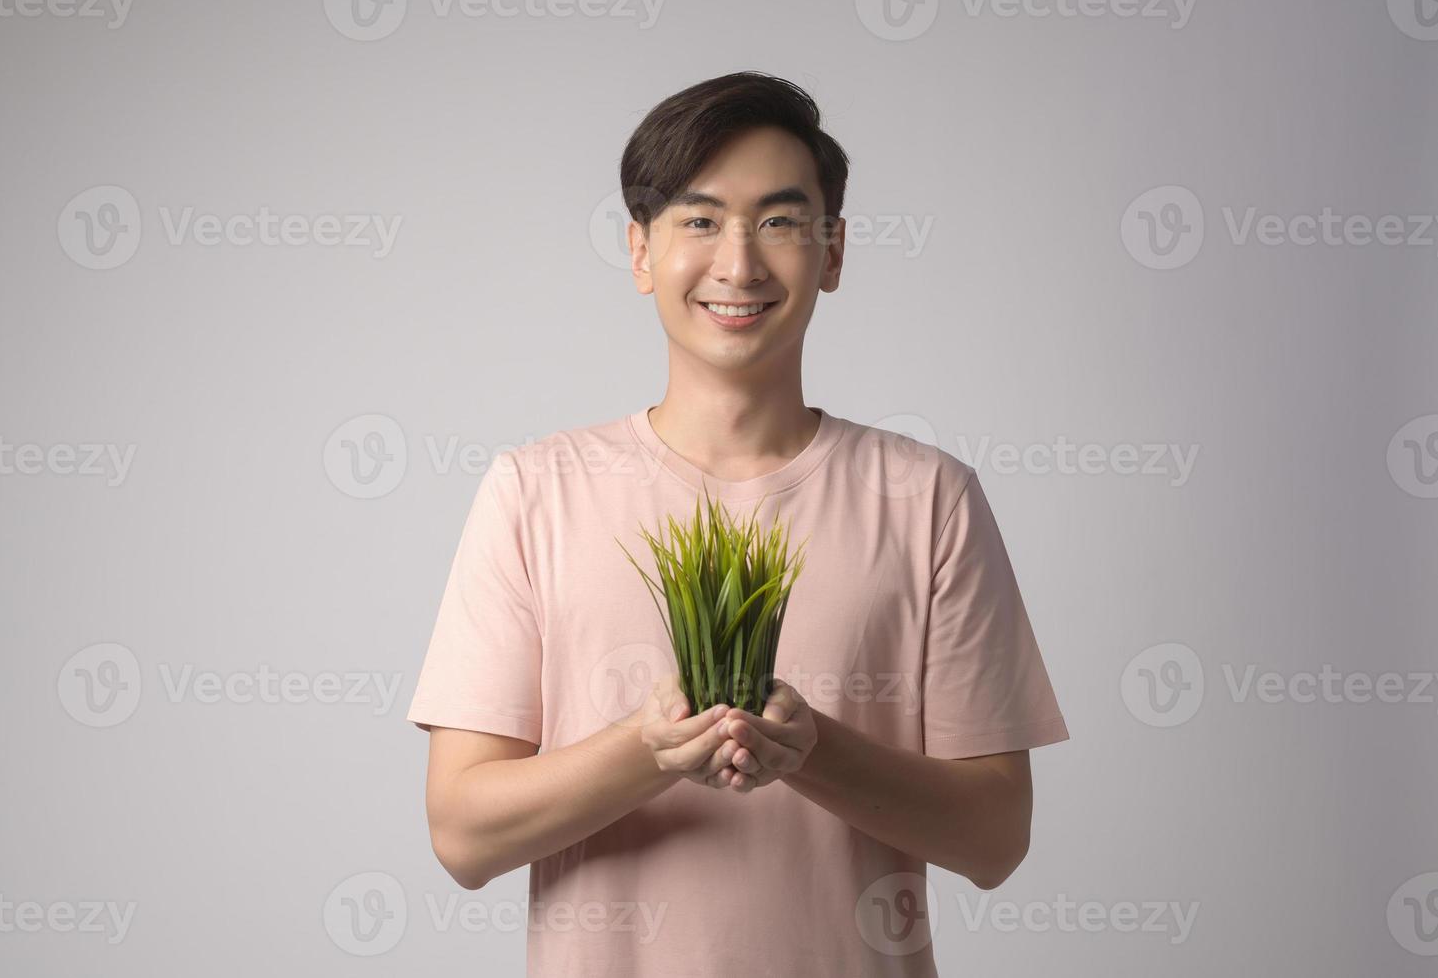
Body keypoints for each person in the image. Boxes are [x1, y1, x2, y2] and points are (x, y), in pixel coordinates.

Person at [408, 70, 1069, 978]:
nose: (739, 264)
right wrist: (645, 751)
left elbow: (996, 838)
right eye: (700, 220)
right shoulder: (534, 490)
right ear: (640, 252)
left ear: (832, 252)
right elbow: (462, 834)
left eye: (779, 221)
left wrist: (810, 750)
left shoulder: (927, 500)